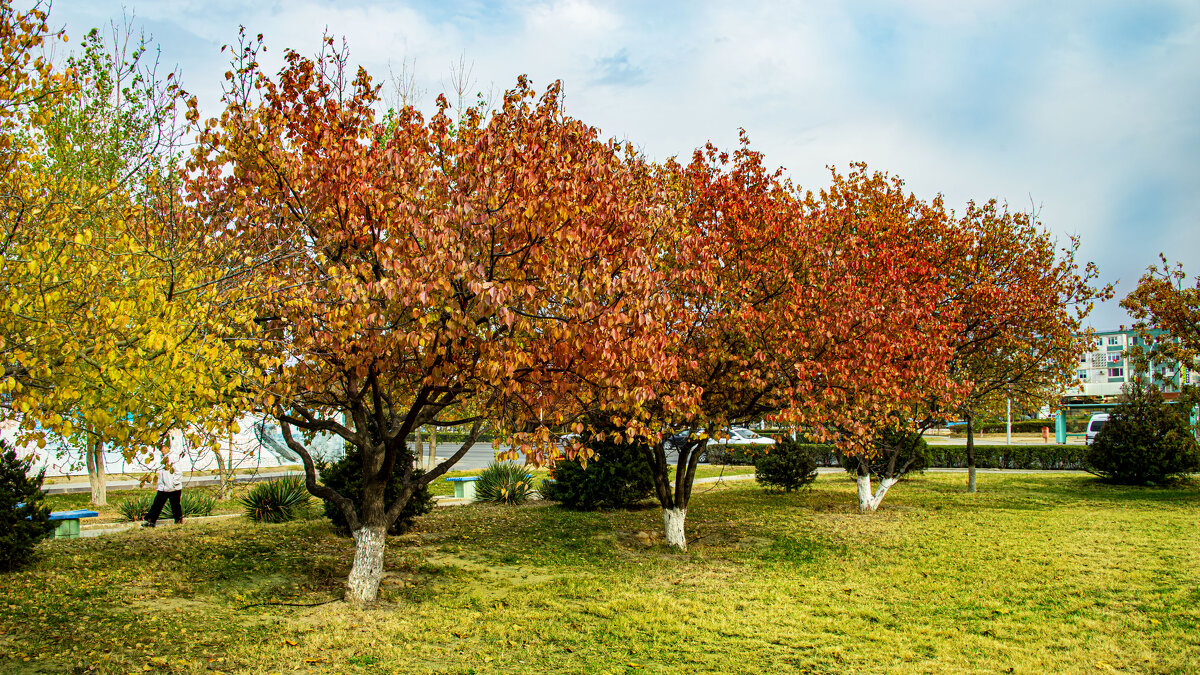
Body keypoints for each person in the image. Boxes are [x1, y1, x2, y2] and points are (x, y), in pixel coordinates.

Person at [143, 429, 186, 528]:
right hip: (163, 487)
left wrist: (174, 483)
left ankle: (178, 522)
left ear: (168, 447)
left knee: (175, 506)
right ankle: (151, 521)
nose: (162, 450)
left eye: (164, 447)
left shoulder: (173, 457)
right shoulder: (162, 458)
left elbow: (178, 472)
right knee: (157, 505)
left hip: (173, 488)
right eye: (161, 448)